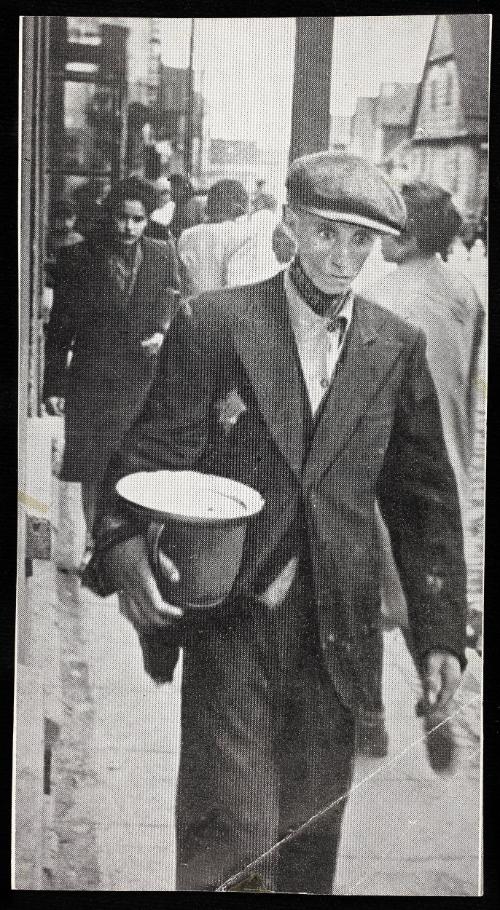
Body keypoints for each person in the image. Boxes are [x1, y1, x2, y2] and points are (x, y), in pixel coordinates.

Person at [84, 153, 467, 893]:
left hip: (338, 638)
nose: (341, 256)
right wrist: (121, 543)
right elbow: (148, 452)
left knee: (305, 847)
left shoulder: (396, 347)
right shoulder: (217, 323)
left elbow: (424, 504)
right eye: (326, 233)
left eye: (360, 241)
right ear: (289, 226)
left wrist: (440, 632)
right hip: (234, 621)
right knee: (231, 840)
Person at [363, 181, 484, 755]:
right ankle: (435, 685)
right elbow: (469, 381)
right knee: (429, 574)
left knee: (368, 576)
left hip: (389, 451)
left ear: (406, 234)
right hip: (447, 450)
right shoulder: (464, 294)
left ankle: (365, 712)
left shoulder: (381, 292)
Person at [43, 175, 180, 536]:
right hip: (91, 382)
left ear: (148, 220)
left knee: (133, 466)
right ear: (108, 216)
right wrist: (54, 385)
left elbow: (173, 301)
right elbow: (58, 330)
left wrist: (163, 334)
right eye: (121, 217)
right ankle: (94, 540)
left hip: (141, 382)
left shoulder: (162, 254)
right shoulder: (78, 258)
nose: (128, 227)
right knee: (91, 467)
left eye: (138, 219)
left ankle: (125, 541)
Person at [177, 178, 251, 295]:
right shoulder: (241, 235)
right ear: (238, 207)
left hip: (191, 307)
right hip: (223, 307)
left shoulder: (186, 235)